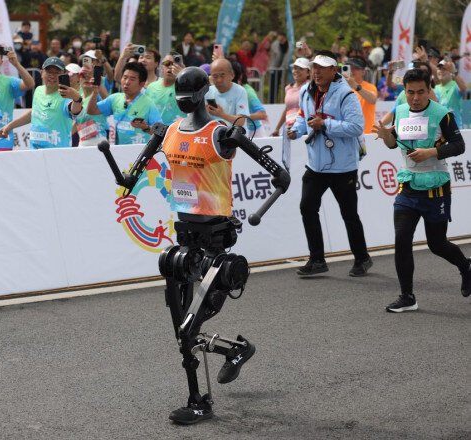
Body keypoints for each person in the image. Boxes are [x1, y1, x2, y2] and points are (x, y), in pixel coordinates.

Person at [100, 66, 290, 425]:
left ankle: (199, 401)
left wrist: (274, 180)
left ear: (203, 94)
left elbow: (279, 174)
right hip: (184, 235)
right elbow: (130, 177)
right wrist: (120, 172)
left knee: (190, 326)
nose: (184, 100)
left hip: (216, 237)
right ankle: (234, 352)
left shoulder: (221, 134)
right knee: (181, 326)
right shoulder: (169, 132)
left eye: (188, 94)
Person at [372, 68, 470, 312]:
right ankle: (407, 297)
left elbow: (459, 145)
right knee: (401, 239)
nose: (415, 98)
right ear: (404, 91)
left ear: (429, 89)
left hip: (436, 186)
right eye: (410, 92)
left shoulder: (441, 114)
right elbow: (396, 144)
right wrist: (386, 136)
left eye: (420, 92)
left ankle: (466, 267)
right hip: (408, 185)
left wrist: (431, 152)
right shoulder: (401, 111)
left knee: (436, 244)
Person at [288, 50, 372, 276]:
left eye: (322, 67)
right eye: (314, 67)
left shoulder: (347, 94)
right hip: (316, 164)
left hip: (343, 166)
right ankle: (317, 260)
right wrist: (295, 130)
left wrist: (325, 125)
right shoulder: (306, 90)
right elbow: (302, 115)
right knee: (307, 207)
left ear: (334, 70)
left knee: (349, 214)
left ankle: (362, 258)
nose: (316, 72)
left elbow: (356, 127)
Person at [0, 57, 83, 149]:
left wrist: (77, 99)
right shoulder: (39, 90)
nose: (52, 75)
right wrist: (10, 126)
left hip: (57, 153)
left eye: (57, 72)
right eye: (49, 72)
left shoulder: (66, 95)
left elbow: (75, 110)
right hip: (35, 151)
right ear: (42, 73)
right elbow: (34, 113)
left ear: (64, 75)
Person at [87, 62, 162, 145]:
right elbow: (91, 111)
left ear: (142, 84)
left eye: (132, 79)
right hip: (118, 152)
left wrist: (145, 127)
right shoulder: (115, 98)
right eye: (125, 77)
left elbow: (160, 132)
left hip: (139, 153)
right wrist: (95, 92)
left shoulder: (148, 104)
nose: (127, 82)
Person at [0, 42, 35, 151]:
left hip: (2, 138)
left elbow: (30, 84)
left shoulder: (9, 82)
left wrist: (16, 64)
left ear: (1, 61)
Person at [204, 58, 249, 127]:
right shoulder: (208, 92)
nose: (219, 80)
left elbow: (241, 121)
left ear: (232, 75)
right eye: (215, 76)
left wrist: (222, 114)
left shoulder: (240, 91)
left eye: (222, 75)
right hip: (216, 134)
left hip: (236, 136)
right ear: (211, 77)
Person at [272, 57, 310, 136]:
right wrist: (277, 128)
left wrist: (309, 54)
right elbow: (287, 109)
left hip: (304, 129)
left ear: (308, 73)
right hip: (290, 129)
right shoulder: (288, 88)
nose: (297, 71)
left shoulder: (310, 86)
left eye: (301, 68)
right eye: (295, 68)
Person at [146, 53, 184, 125]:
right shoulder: (151, 87)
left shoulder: (184, 87)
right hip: (154, 133)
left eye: (174, 64)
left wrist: (184, 75)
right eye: (167, 63)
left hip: (175, 133)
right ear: (161, 67)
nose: (170, 67)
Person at [342, 57, 377, 133]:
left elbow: (373, 100)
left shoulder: (370, 87)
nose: (352, 71)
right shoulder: (341, 88)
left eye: (356, 68)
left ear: (363, 72)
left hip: (367, 132)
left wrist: (355, 86)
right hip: (348, 133)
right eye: (350, 68)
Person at [434, 58, 466, 128]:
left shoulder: (455, 85)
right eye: (439, 68)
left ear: (451, 72)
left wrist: (454, 72)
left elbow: (463, 88)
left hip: (455, 130)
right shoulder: (435, 89)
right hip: (439, 131)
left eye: (444, 69)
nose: (441, 71)